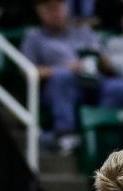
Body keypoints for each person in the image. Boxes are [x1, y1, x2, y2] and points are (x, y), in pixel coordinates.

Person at [20, 0, 101, 154]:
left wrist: (98, 55)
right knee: (62, 77)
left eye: (59, 7)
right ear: (40, 12)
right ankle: (64, 134)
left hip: (91, 83)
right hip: (56, 89)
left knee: (118, 87)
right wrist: (65, 69)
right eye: (50, 8)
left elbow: (104, 63)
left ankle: (101, 135)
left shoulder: (82, 32)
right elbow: (28, 72)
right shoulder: (34, 37)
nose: (56, 12)